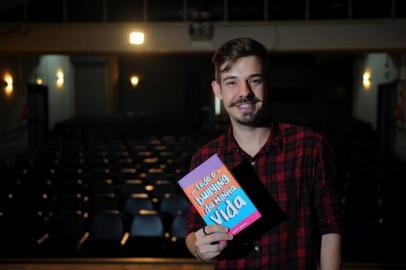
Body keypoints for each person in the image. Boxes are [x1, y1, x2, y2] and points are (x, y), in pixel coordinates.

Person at [185, 37, 342, 269]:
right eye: (231, 82)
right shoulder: (205, 159)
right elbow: (192, 233)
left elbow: (331, 230)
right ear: (217, 90)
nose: (244, 92)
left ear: (268, 84)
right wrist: (198, 248)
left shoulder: (309, 146)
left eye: (254, 80)